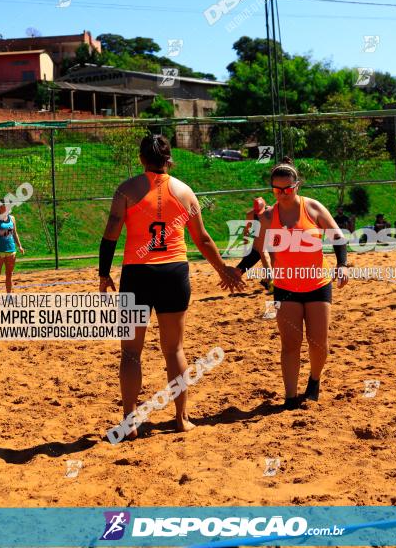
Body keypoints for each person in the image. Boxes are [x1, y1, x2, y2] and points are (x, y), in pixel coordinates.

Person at [98, 133, 244, 439]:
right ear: (169, 160)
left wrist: (103, 273)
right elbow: (202, 239)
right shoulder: (186, 192)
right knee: (175, 349)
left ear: (141, 159)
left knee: (130, 354)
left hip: (137, 274)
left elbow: (111, 233)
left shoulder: (126, 190)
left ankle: (129, 421)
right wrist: (224, 270)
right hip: (173, 273)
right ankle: (181, 418)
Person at [230, 158, 349, 408]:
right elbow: (256, 250)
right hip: (285, 288)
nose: (282, 194)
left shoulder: (313, 208)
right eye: (276, 189)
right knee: (290, 344)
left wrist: (342, 265)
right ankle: (290, 397)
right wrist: (238, 270)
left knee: (319, 342)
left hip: (317, 283)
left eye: (287, 188)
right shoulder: (267, 217)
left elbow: (338, 237)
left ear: (297, 186)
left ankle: (314, 381)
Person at [0, 203, 24, 304]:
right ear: (0, 208)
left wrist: (19, 245)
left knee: (9, 275)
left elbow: (14, 232)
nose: (7, 207)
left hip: (11, 250)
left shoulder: (12, 218)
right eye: (5, 205)